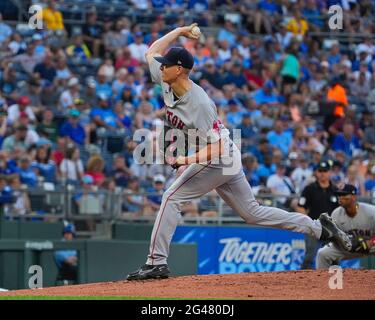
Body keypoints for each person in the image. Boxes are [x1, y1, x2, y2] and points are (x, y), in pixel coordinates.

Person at [126, 24, 351, 281]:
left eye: (166, 64)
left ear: (178, 70)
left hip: (219, 157)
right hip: (225, 155)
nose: (160, 66)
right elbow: (151, 51)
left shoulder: (199, 103)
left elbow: (217, 147)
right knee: (252, 213)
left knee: (170, 197)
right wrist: (179, 31)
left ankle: (156, 262)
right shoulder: (168, 79)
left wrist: (183, 160)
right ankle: (319, 228)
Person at [316, 184, 375, 269]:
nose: (340, 197)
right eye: (339, 195)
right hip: (349, 247)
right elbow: (335, 237)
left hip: (371, 245)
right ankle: (322, 280)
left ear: (354, 197)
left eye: (344, 194)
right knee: (323, 253)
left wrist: (372, 242)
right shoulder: (336, 214)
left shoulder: (371, 212)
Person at [297, 161, 339, 269]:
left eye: (325, 171)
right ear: (316, 172)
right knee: (309, 257)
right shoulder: (309, 189)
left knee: (333, 258)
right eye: (320, 171)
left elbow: (340, 210)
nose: (322, 173)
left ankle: (332, 283)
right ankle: (304, 282)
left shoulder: (336, 190)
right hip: (313, 227)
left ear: (329, 172)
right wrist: (307, 221)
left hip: (331, 228)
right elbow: (301, 206)